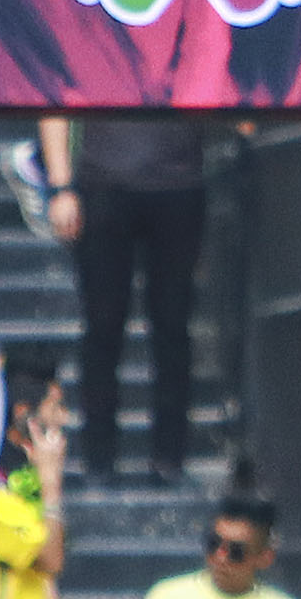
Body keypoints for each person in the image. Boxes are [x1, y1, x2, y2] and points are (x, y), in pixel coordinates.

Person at [38, 112, 208, 483]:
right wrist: (61, 186)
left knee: (173, 325)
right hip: (104, 183)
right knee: (102, 326)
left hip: (179, 183)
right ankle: (98, 459)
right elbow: (56, 96)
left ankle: (169, 459)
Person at [0, 358, 70, 599]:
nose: (64, 418)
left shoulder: (28, 476)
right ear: (23, 413)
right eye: (55, 407)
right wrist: (51, 483)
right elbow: (49, 559)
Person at [134, 496, 301, 599]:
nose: (220, 557)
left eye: (236, 551)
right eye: (213, 543)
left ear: (265, 557)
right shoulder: (166, 598)